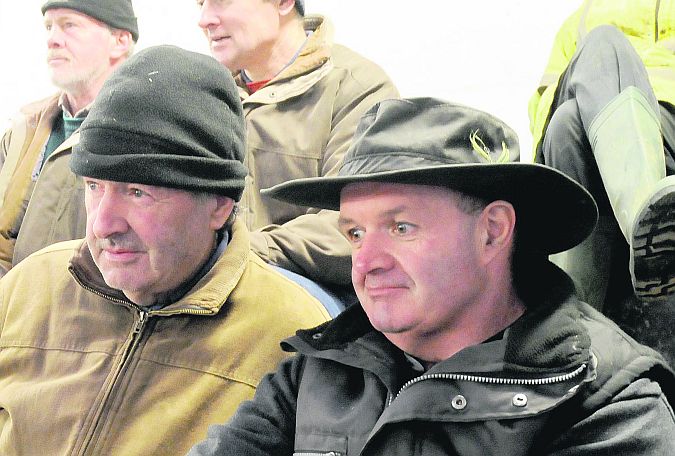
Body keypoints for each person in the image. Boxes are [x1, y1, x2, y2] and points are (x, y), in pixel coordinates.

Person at [188, 98, 675, 456]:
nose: (366, 260)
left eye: (401, 228)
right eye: (355, 233)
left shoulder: (603, 401)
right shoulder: (320, 370)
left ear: (493, 231)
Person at [0, 45, 331, 455]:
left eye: (138, 193)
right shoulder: (28, 287)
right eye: (93, 188)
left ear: (219, 204)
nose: (103, 225)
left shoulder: (290, 336)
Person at [196, 0, 398, 289]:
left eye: (221, 1)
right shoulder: (203, 97)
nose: (204, 20)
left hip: (316, 295)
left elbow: (356, 226)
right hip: (212, 283)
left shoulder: (357, 88)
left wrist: (230, 253)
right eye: (200, 4)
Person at [528, 0, 674, 364]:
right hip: (587, 138)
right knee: (566, 120)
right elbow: (543, 105)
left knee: (567, 122)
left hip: (668, 130)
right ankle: (646, 215)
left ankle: (570, 325)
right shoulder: (580, 21)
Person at [0, 0, 138, 277]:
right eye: (49, 27)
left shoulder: (147, 133)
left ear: (119, 41)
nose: (52, 40)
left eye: (69, 25)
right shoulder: (22, 130)